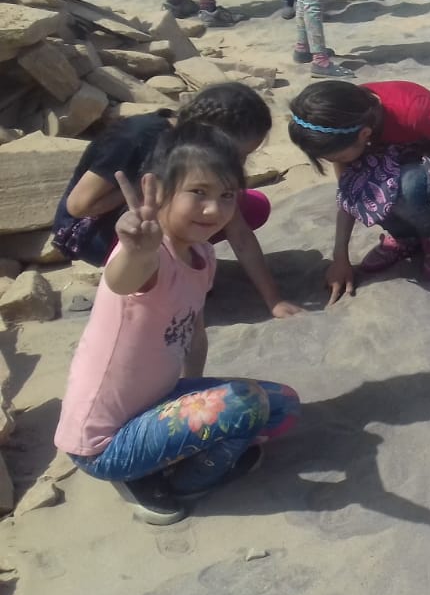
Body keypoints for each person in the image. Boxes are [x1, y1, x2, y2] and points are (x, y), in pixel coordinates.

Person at [53, 123, 301, 526]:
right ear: (156, 188)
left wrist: (190, 402)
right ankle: (174, 482)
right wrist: (135, 249)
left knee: (284, 405)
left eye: (226, 196)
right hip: (103, 443)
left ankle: (170, 451)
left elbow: (194, 335)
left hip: (155, 403)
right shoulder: (150, 255)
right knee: (245, 405)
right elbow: (122, 280)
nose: (214, 209)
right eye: (198, 192)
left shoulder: (203, 255)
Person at [51, 84, 303, 320]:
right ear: (211, 133)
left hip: (152, 206)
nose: (238, 163)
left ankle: (180, 257)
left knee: (252, 205)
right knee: (183, 204)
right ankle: (160, 275)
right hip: (90, 231)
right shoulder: (137, 136)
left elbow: (240, 233)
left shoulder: (202, 152)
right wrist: (151, 187)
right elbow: (78, 206)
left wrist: (274, 300)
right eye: (238, 154)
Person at [287, 80, 430, 299]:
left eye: (338, 157)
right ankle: (406, 237)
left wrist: (411, 163)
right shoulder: (347, 120)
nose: (336, 162)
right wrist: (340, 258)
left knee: (402, 187)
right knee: (368, 184)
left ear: (364, 135)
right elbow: (349, 194)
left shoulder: (411, 112)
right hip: (394, 159)